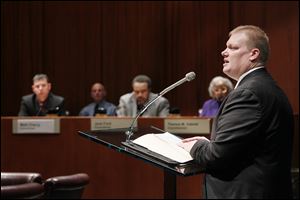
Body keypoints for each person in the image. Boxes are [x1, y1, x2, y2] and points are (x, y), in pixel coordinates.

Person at [178, 25, 294, 198]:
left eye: (232, 48)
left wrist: (195, 146)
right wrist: (210, 144)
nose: (224, 52)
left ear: (253, 54)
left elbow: (217, 156)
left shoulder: (248, 93)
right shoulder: (264, 86)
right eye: (226, 47)